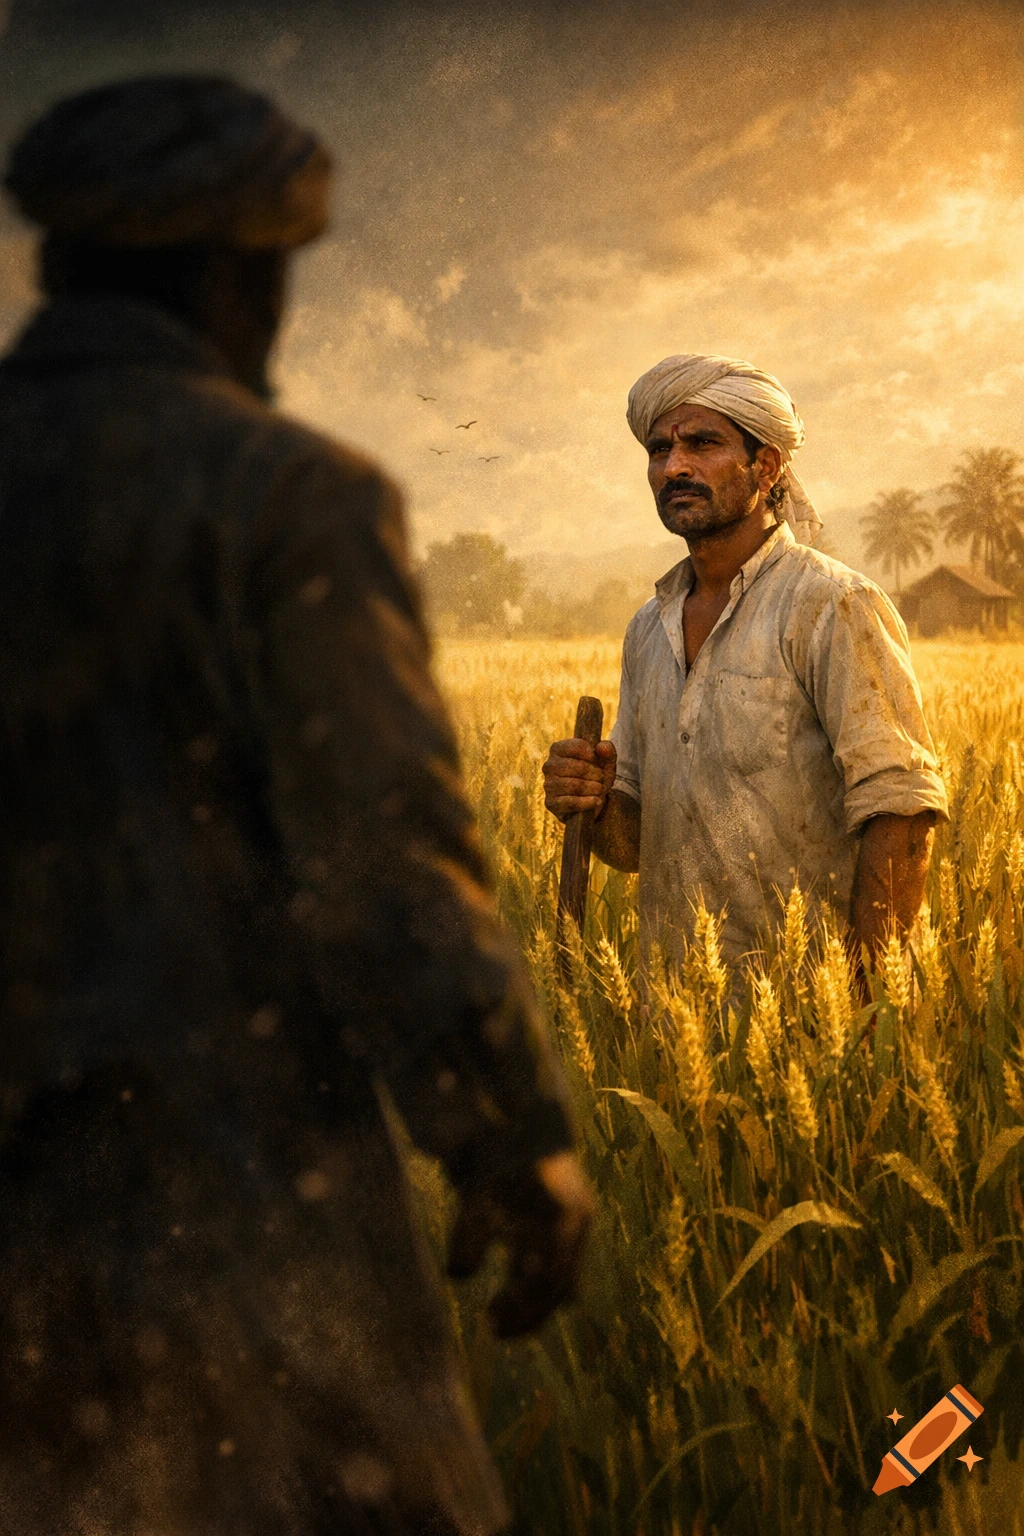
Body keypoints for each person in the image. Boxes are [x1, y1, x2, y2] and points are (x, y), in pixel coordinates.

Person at [0, 75, 592, 1536]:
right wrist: (505, 1137)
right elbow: (382, 861)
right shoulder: (285, 496)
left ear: (60, 268)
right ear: (232, 278)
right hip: (242, 1184)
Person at [543, 353, 948, 975]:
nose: (674, 465)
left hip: (811, 1018)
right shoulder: (648, 630)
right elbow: (636, 845)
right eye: (659, 449)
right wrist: (594, 802)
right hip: (678, 1024)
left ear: (767, 465)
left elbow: (900, 810)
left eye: (702, 443)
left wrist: (871, 1011)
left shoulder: (831, 605)